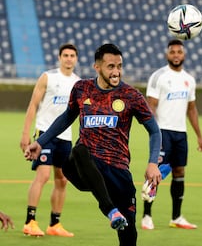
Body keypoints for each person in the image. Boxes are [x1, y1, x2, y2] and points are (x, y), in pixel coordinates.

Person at [24, 43, 162, 246]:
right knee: (79, 150)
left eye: (119, 66)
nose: (116, 72)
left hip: (117, 170)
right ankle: (110, 210)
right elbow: (66, 118)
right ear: (97, 67)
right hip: (84, 167)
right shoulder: (82, 88)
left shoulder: (131, 95)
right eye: (110, 66)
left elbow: (154, 130)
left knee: (129, 233)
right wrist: (40, 142)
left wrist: (152, 163)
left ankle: (117, 213)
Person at [141, 39, 202, 230]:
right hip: (163, 132)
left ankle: (176, 217)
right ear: (167, 54)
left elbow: (192, 109)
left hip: (180, 133)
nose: (176, 55)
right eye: (173, 52)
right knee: (155, 173)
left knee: (179, 172)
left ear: (184, 55)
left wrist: (199, 136)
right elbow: (150, 106)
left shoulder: (189, 79)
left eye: (179, 52)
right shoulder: (159, 76)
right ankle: (146, 216)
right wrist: (155, 133)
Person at [20, 43, 80, 237]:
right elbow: (33, 104)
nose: (69, 58)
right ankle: (30, 221)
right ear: (59, 57)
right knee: (43, 176)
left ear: (76, 59)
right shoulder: (48, 77)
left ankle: (54, 224)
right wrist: (25, 133)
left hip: (65, 138)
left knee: (62, 180)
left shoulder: (79, 83)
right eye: (66, 55)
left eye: (72, 55)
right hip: (45, 134)